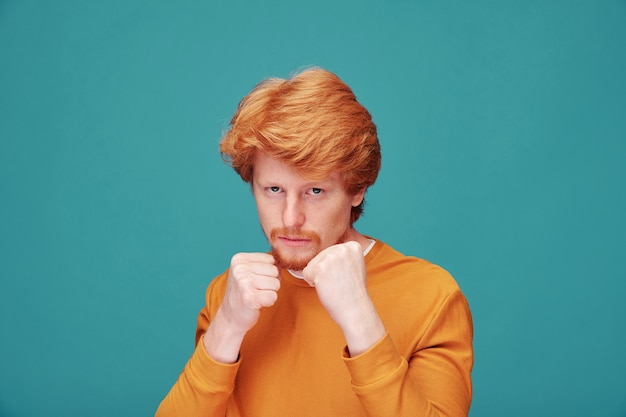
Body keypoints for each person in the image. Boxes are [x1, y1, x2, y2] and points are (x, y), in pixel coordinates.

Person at [155, 67, 473, 417]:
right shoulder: (230, 295)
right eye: (274, 190)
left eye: (315, 191)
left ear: (358, 190)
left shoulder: (431, 296)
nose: (291, 218)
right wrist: (227, 326)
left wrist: (359, 317)